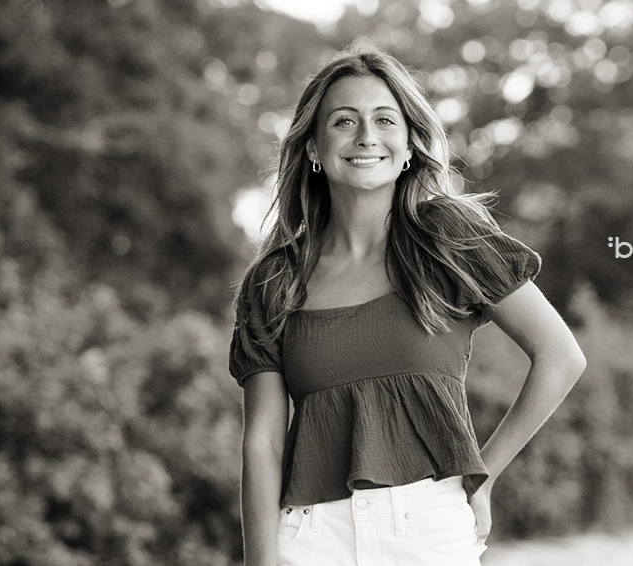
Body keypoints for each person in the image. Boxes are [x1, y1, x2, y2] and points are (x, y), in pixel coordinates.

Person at [229, 39, 586, 566]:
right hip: (310, 538)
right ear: (313, 148)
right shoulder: (275, 279)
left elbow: (561, 355)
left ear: (410, 144)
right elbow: (262, 443)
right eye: (344, 121)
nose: (367, 137)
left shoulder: (448, 237)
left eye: (385, 120)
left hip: (427, 530)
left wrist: (483, 477)